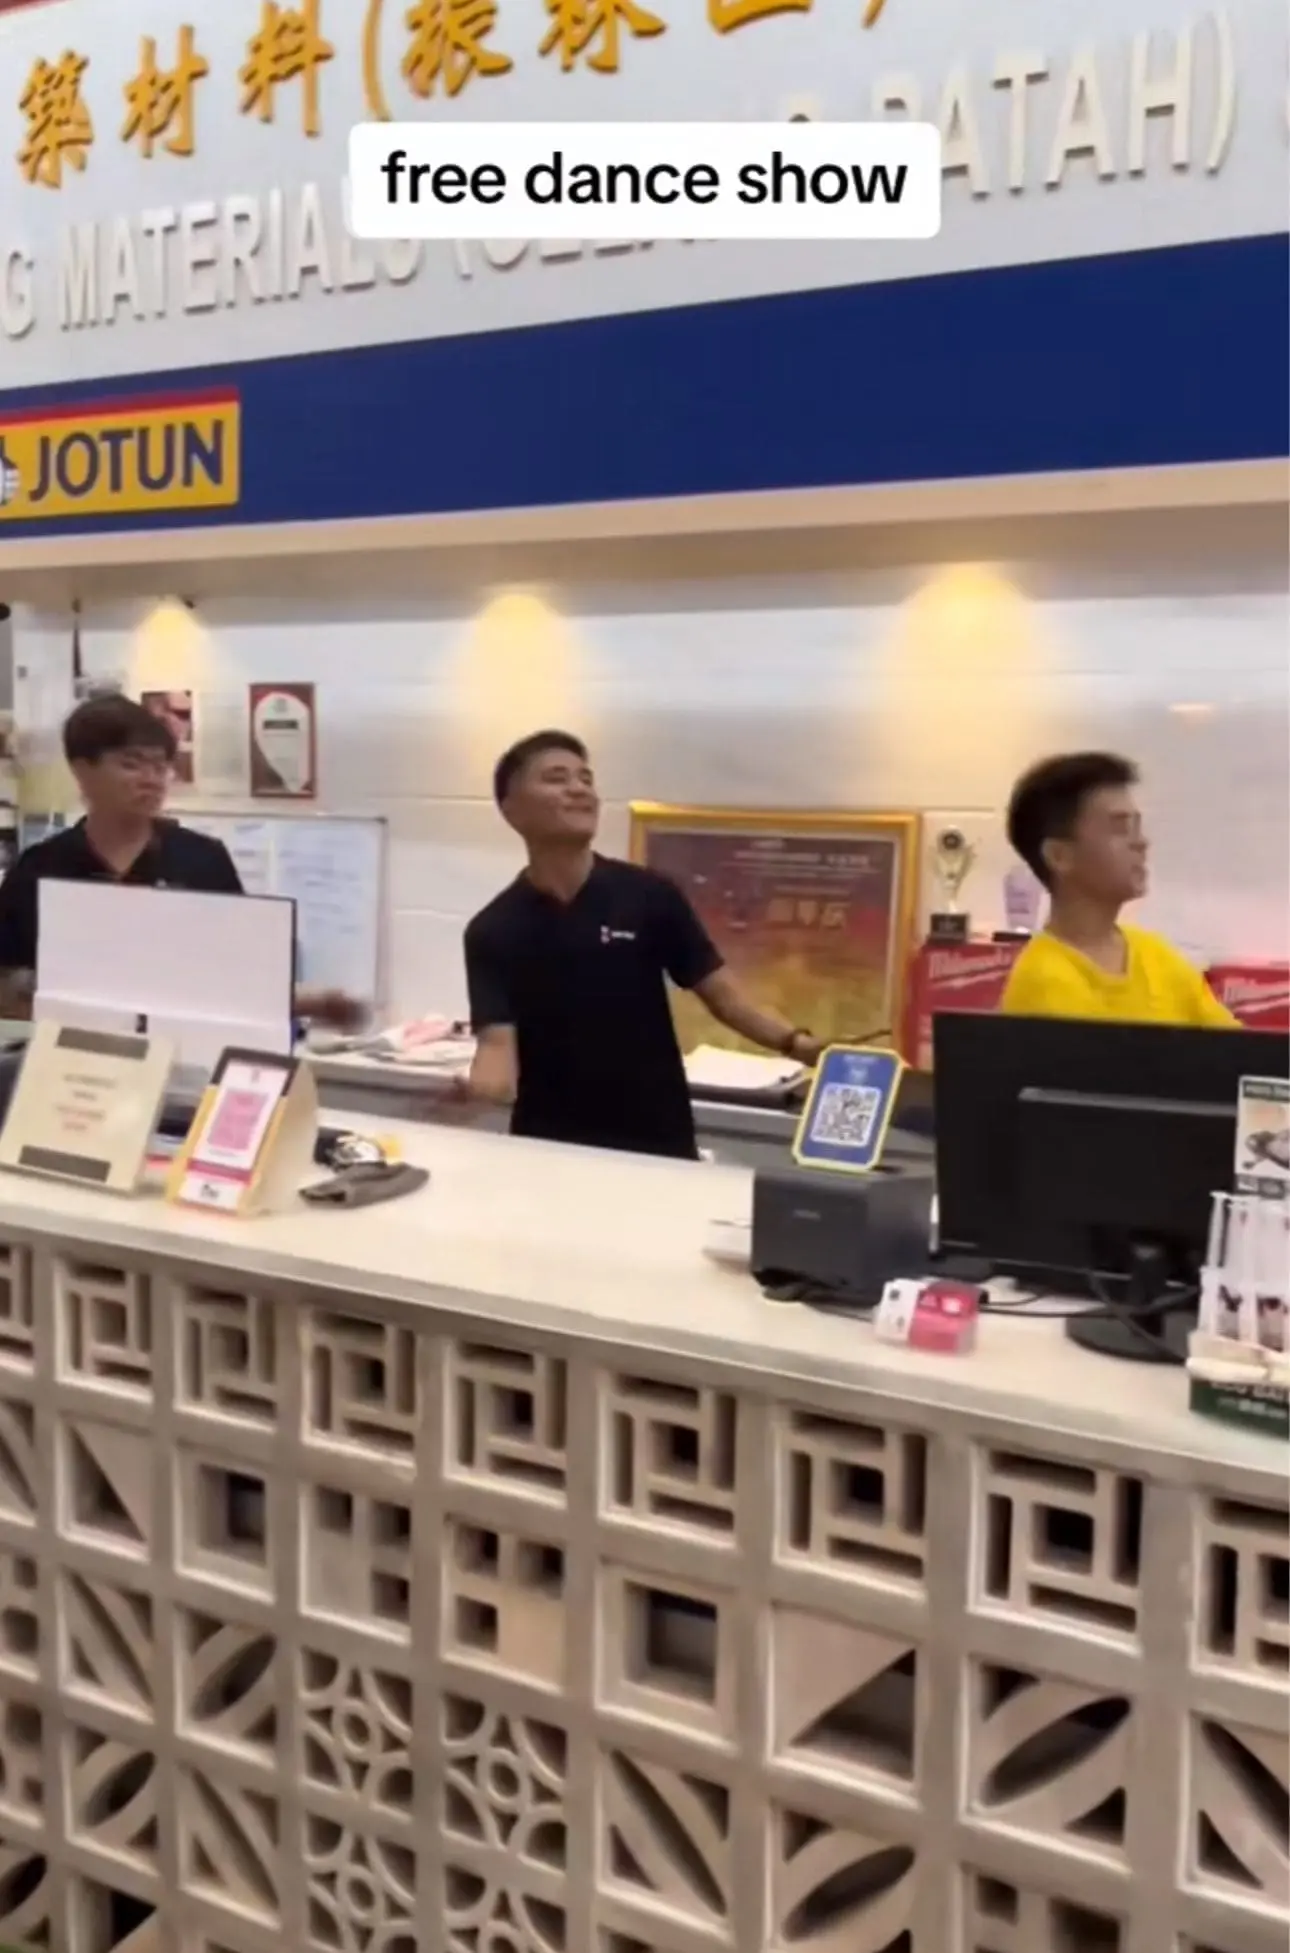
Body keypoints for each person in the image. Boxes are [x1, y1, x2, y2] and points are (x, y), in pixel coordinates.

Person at [463, 730, 825, 1159]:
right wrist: (477, 1093)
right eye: (557, 778)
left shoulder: (649, 895)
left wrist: (798, 1043)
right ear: (511, 809)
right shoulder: (493, 929)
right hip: (549, 1149)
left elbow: (726, 998)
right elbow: (496, 1047)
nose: (579, 789)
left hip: (658, 1140)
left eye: (586, 779)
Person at [0, 694, 361, 1029]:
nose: (151, 780)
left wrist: (312, 1002)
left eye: (161, 767)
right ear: (82, 770)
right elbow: (7, 986)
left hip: (185, 1061)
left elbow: (241, 980)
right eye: (132, 765)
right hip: (73, 1064)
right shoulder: (40, 869)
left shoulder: (203, 860)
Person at [1000, 751, 1236, 1026]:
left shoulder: (1156, 954)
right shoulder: (1044, 982)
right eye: (1120, 828)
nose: (1141, 843)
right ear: (1059, 856)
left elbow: (1237, 1050)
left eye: (1137, 827)